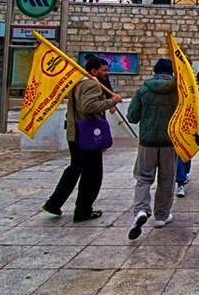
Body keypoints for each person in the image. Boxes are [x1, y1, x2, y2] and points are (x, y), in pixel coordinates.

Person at [42, 56, 122, 223]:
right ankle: (83, 210)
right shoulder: (91, 84)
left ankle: (54, 202)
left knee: (75, 169)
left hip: (75, 134)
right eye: (104, 70)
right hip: (87, 136)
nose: (106, 73)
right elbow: (88, 107)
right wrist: (111, 101)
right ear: (94, 71)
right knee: (92, 175)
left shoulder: (77, 83)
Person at [125, 58, 179, 237]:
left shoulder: (144, 89)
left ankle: (141, 210)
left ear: (155, 71)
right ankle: (161, 216)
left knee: (143, 178)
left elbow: (132, 116)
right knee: (167, 179)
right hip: (170, 142)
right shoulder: (178, 91)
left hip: (147, 141)